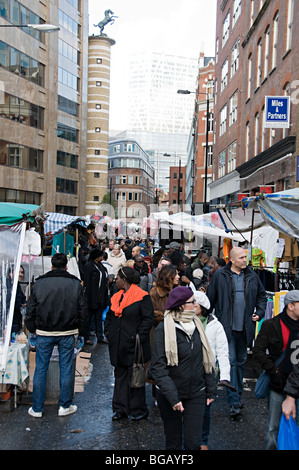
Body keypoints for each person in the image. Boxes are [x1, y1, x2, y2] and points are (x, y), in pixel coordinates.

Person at [150, 286, 217, 450]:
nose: (196, 305)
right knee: (173, 442)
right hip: (170, 395)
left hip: (196, 392)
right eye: (192, 302)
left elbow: (205, 359)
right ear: (180, 306)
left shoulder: (197, 326)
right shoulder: (163, 330)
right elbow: (158, 368)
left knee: (193, 443)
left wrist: (211, 389)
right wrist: (173, 397)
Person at [25, 253, 88, 418]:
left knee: (40, 369)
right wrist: (82, 332)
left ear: (52, 266)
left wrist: (32, 328)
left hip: (44, 332)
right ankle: (64, 406)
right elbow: (83, 311)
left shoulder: (39, 284)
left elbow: (31, 309)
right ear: (66, 267)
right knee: (66, 368)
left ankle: (37, 408)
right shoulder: (76, 284)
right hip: (68, 331)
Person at [207, 246, 267, 418]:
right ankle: (234, 401)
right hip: (227, 327)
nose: (245, 260)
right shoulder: (220, 275)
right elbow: (211, 299)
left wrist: (260, 312)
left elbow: (262, 296)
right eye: (241, 257)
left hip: (245, 328)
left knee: (240, 362)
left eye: (245, 257)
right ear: (231, 259)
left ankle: (237, 395)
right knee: (232, 362)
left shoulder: (252, 276)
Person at [104, 267, 154, 421]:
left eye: (118, 277)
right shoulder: (116, 296)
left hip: (134, 345)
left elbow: (148, 319)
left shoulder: (142, 296)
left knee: (135, 378)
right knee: (120, 375)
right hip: (118, 344)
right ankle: (120, 409)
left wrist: (138, 335)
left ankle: (138, 409)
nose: (116, 280)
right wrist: (109, 333)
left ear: (124, 279)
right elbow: (110, 318)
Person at [253, 290, 299, 449]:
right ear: (291, 306)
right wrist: (274, 369)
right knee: (273, 427)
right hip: (278, 383)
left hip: (297, 383)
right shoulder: (271, 324)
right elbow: (258, 350)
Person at [194, 290, 232, 450]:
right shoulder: (183, 321)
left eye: (195, 303)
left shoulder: (215, 325)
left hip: (207, 373)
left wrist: (225, 376)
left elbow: (223, 351)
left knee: (204, 411)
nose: (191, 306)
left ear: (203, 307)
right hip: (187, 373)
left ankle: (203, 442)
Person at [82, 247, 108, 344]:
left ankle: (100, 336)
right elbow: (87, 283)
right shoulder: (89, 266)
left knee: (98, 318)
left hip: (100, 296)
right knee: (88, 318)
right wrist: (87, 297)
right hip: (91, 296)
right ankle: (86, 337)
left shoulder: (101, 266)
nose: (102, 257)